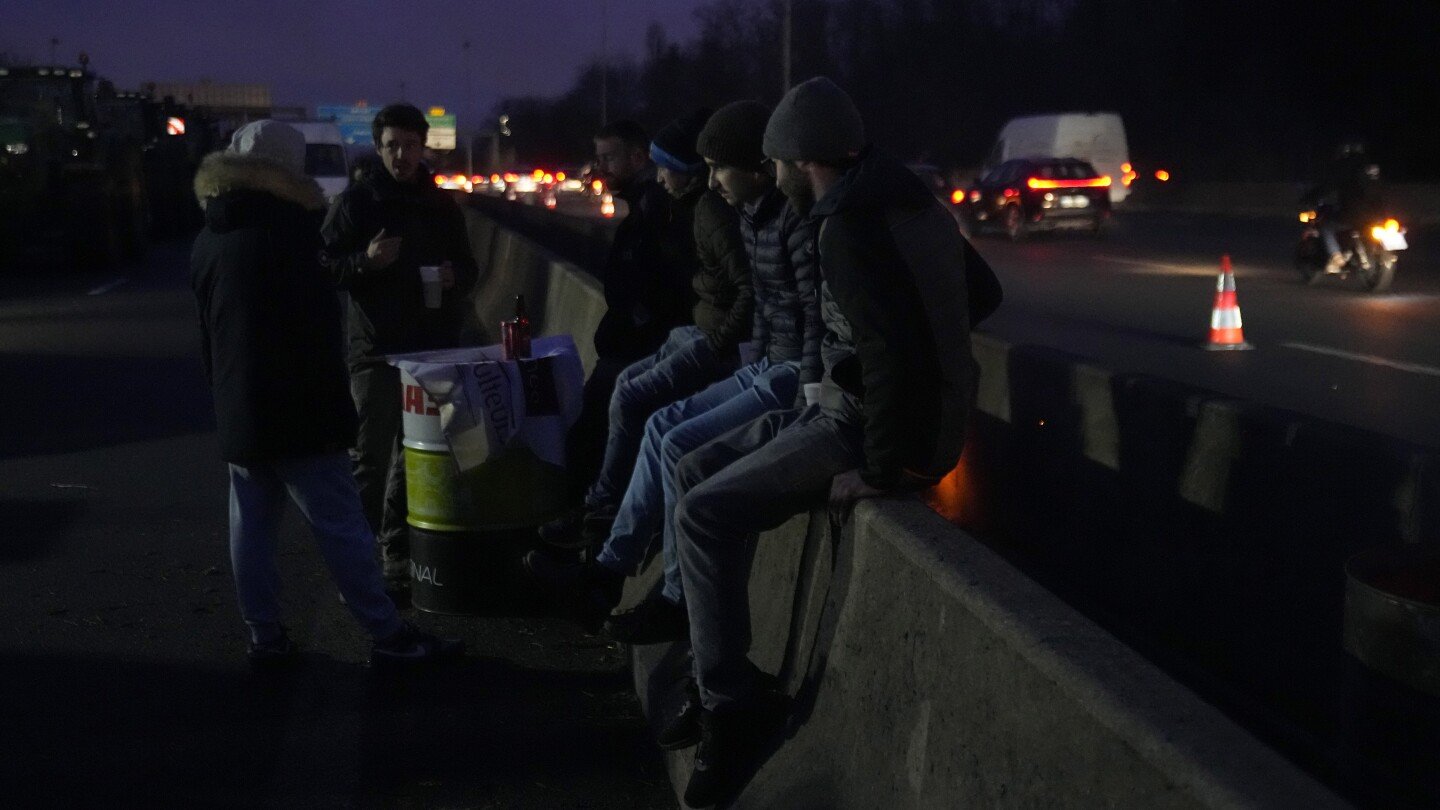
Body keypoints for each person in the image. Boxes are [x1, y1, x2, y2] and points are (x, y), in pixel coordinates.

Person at [668, 78, 999, 807]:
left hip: (868, 429)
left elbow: (886, 359)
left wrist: (883, 469)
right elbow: (984, 294)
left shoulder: (846, 227)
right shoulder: (909, 202)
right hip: (857, 406)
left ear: (800, 159)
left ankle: (731, 707)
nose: (771, 171)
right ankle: (712, 669)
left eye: (775, 159)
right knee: (691, 462)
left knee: (702, 513)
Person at [540, 100, 822, 646]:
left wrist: (799, 384)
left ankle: (664, 592)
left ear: (761, 167)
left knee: (669, 435)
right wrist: (753, 353)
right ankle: (606, 569)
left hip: (785, 373)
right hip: (763, 360)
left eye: (718, 168)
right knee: (658, 425)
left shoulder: (775, 219)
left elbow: (808, 310)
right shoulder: (750, 214)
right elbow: (767, 303)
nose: (710, 179)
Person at [190, 120, 462, 667]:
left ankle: (264, 636)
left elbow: (208, 332)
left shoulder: (209, 237)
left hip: (241, 404)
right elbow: (316, 331)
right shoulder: (291, 230)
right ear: (287, 169)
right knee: (343, 526)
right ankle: (388, 633)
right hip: (300, 408)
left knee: (252, 531)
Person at [525, 109, 754, 602]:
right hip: (665, 335)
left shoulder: (696, 210)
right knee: (633, 417)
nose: (599, 166)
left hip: (681, 339)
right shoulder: (675, 203)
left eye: (610, 158)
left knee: (640, 421)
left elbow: (741, 289)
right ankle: (599, 554)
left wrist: (701, 334)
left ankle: (602, 536)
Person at [320, 103, 479, 593]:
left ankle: (395, 551)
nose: (401, 156)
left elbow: (469, 268)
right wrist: (365, 262)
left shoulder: (440, 205)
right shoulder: (358, 203)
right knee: (368, 459)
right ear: (378, 146)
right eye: (391, 146)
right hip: (376, 351)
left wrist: (456, 278)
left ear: (423, 146)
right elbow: (324, 263)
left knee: (416, 458)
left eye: (410, 145)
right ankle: (355, 560)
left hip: (430, 350)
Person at [541, 115, 716, 547]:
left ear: (639, 158)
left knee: (590, 439)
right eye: (597, 158)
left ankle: (586, 528)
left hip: (637, 347)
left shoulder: (659, 205)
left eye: (609, 158)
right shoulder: (644, 202)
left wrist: (639, 319)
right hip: (629, 341)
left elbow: (670, 279)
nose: (600, 168)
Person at [1302, 141, 1386, 272]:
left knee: (1326, 227)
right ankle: (1350, 252)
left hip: (1355, 213)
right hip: (1379, 214)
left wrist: (1309, 198)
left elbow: (1328, 186)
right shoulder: (1372, 167)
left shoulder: (1347, 167)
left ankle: (1337, 258)